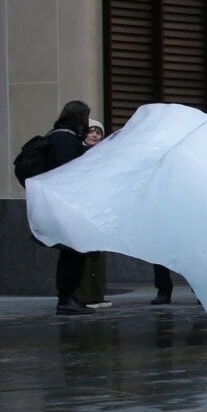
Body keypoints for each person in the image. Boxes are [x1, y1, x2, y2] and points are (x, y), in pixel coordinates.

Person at [31, 101, 94, 315]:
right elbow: (69, 171)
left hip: (61, 204)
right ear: (80, 118)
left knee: (73, 253)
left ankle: (69, 296)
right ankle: (66, 298)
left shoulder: (56, 136)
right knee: (73, 253)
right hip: (67, 205)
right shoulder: (65, 139)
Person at [74, 121, 112, 308]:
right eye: (91, 131)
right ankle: (84, 295)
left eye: (98, 132)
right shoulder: (77, 153)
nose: (95, 135)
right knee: (84, 254)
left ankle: (97, 293)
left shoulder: (104, 155)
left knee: (98, 254)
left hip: (99, 209)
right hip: (83, 209)